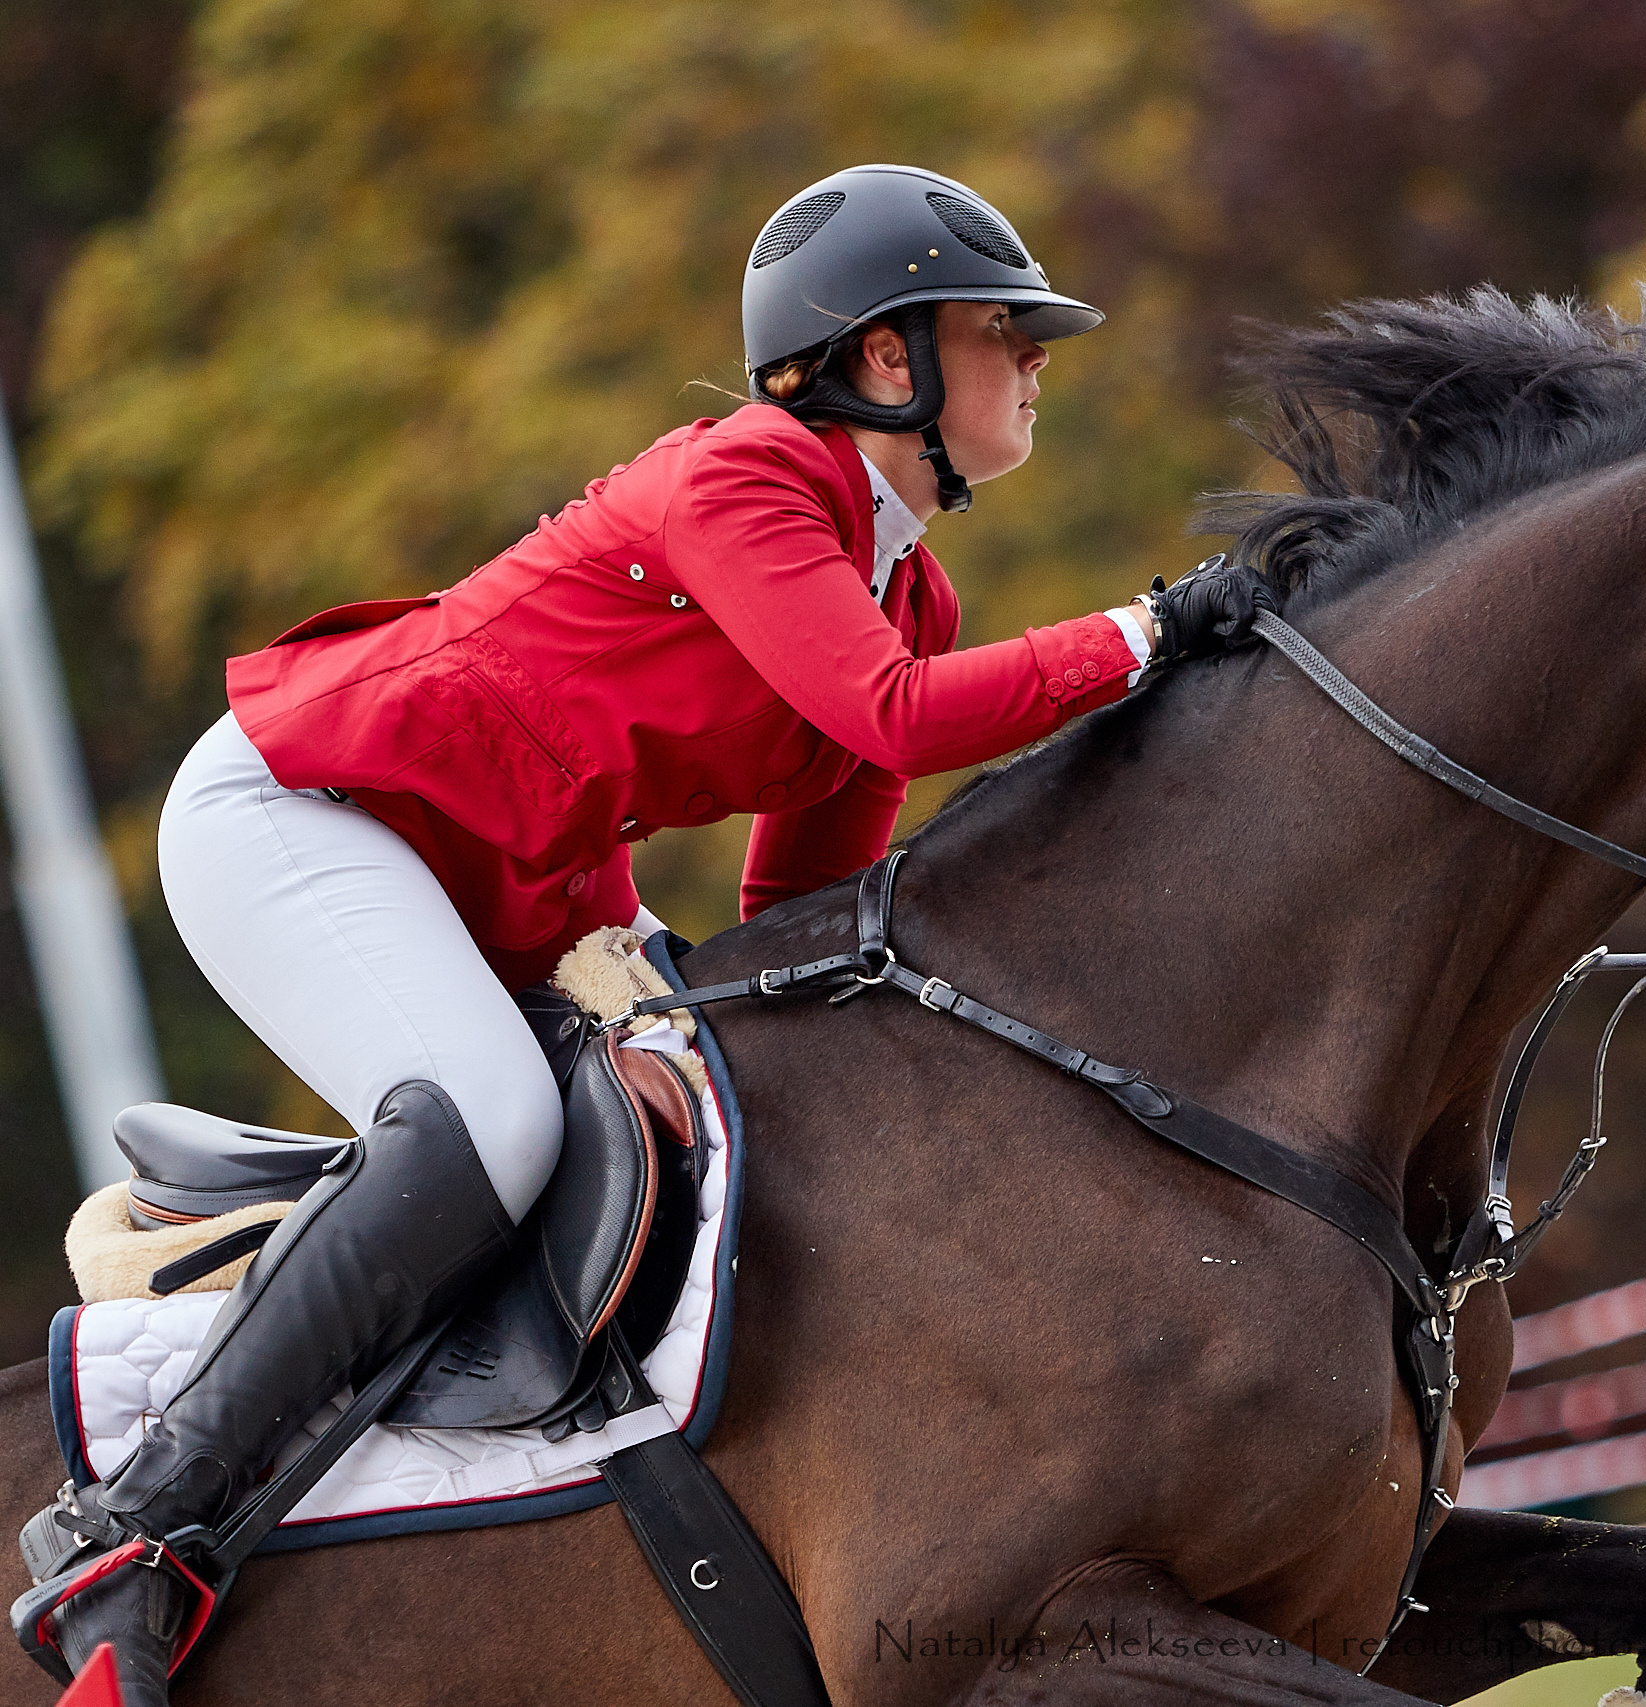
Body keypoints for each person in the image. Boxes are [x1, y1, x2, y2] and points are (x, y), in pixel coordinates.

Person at [13, 164, 1263, 1699]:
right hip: (308, 809)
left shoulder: (909, 592)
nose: (1040, 360)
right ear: (892, 361)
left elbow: (791, 912)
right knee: (490, 1117)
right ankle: (129, 1536)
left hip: (506, 876)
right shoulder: (745, 477)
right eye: (1008, 330)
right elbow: (891, 720)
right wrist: (1149, 634)